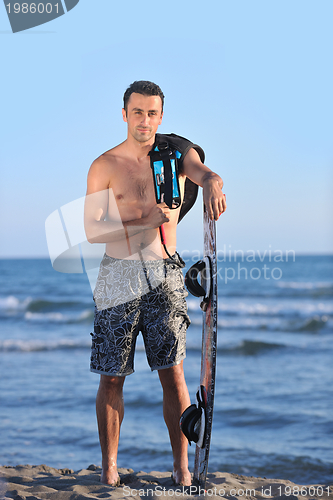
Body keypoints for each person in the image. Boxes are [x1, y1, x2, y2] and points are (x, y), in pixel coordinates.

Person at [84, 81, 226, 487]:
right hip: (118, 275)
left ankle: (182, 469)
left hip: (165, 274)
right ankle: (110, 470)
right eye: (137, 112)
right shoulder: (104, 165)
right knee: (111, 377)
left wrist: (213, 180)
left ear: (160, 117)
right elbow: (94, 232)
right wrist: (146, 221)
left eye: (152, 113)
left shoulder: (176, 155)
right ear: (124, 114)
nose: (144, 121)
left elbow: (202, 172)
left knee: (174, 375)